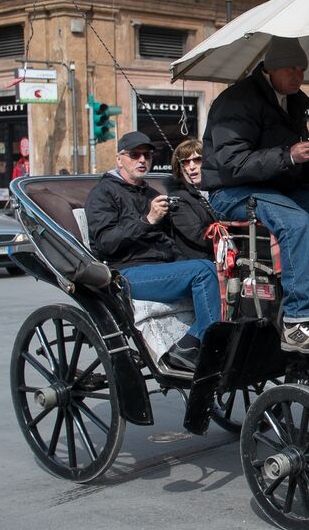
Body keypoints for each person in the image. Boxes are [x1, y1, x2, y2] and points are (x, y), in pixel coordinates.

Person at [202, 38, 309, 355]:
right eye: (292, 69)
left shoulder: (294, 101)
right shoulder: (236, 101)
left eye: (302, 69)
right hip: (232, 191)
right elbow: (232, 163)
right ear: (271, 68)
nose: (299, 76)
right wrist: (288, 156)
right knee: (295, 222)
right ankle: (297, 322)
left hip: (277, 187)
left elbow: (301, 153)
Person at [85, 131, 222, 375]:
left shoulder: (150, 193)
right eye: (134, 155)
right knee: (204, 271)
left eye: (147, 155)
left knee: (218, 272)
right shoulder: (102, 193)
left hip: (160, 268)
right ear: (119, 159)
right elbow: (106, 243)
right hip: (127, 273)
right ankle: (196, 345)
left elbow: (167, 241)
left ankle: (200, 342)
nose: (142, 160)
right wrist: (147, 220)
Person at [166, 138, 218, 261]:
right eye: (185, 162)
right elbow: (199, 237)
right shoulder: (177, 199)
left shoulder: (218, 192)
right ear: (179, 169)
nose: (192, 166)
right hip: (200, 262)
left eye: (198, 160)